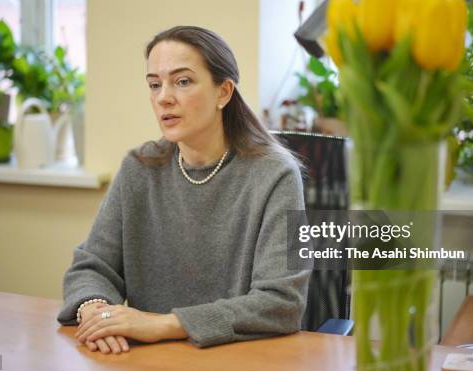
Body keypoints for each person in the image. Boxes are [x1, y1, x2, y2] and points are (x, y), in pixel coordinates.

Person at [57, 25, 310, 354]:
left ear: (224, 92)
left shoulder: (275, 174)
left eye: (183, 81)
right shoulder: (139, 167)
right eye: (154, 84)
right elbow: (92, 265)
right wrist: (96, 311)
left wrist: (163, 325)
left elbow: (281, 302)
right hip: (149, 360)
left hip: (242, 360)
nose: (164, 97)